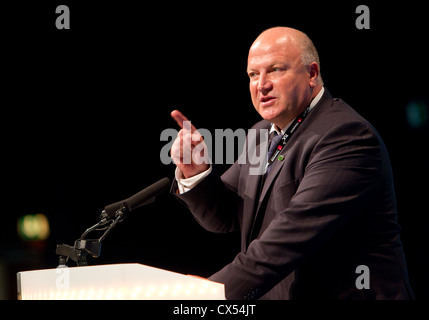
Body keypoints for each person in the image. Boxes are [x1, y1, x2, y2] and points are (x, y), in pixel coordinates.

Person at [169, 27, 414, 300]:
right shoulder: (260, 134)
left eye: (275, 70)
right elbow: (224, 215)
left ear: (311, 74)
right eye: (253, 74)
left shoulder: (346, 136)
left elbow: (285, 241)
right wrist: (195, 171)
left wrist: (205, 293)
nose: (261, 84)